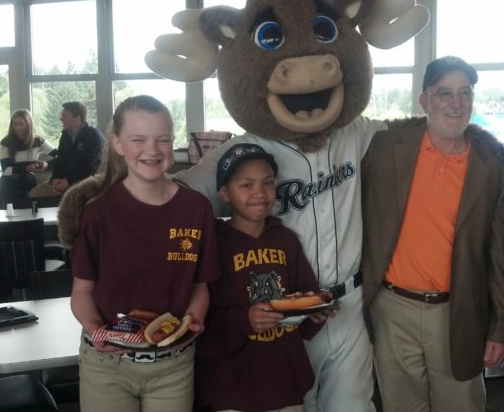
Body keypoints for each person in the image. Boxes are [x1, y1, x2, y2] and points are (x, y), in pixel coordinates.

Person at [360, 56, 504, 412]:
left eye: (465, 93)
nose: (456, 102)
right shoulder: (384, 149)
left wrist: (500, 327)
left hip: (458, 311)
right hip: (392, 308)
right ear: (425, 100)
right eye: (445, 93)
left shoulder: (491, 164)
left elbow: (498, 252)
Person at [69, 95, 219, 412]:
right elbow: (82, 292)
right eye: (138, 140)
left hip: (173, 365)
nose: (152, 150)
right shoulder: (97, 213)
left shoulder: (196, 209)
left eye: (162, 140)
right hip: (107, 365)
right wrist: (96, 329)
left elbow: (200, 288)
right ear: (118, 144)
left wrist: (193, 321)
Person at [195, 143, 332, 412]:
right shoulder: (213, 244)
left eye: (267, 183)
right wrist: (244, 320)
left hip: (284, 384)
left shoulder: (286, 240)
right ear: (224, 193)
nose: (260, 192)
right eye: (246, 185)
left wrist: (316, 311)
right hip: (231, 389)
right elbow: (200, 325)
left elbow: (305, 296)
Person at [30, 101, 104, 199]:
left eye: (64, 116)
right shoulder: (65, 136)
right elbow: (61, 160)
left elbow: (92, 167)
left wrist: (68, 181)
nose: (61, 119)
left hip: (88, 181)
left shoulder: (93, 136)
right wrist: (54, 180)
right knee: (34, 195)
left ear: (77, 118)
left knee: (71, 197)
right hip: (65, 181)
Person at [0, 109, 57, 209]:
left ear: (28, 124)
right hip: (9, 178)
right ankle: (17, 213)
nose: (17, 127)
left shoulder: (38, 141)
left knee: (10, 187)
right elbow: (6, 170)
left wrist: (46, 164)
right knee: (8, 183)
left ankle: (3, 214)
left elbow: (59, 156)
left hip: (28, 177)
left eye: (21, 124)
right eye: (15, 124)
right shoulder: (6, 142)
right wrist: (26, 168)